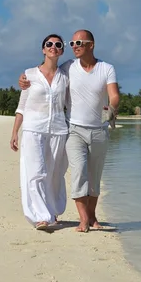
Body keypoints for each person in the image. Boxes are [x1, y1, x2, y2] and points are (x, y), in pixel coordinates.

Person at [18, 29, 120, 232]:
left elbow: (114, 95)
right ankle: (81, 219)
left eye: (78, 43)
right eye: (72, 44)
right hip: (72, 129)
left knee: (92, 176)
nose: (75, 47)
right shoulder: (66, 67)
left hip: (93, 130)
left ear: (91, 45)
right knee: (77, 173)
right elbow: (36, 83)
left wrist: (112, 109)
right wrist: (23, 81)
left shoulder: (104, 68)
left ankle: (91, 217)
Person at [10, 34, 70, 231]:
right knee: (36, 172)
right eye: (49, 44)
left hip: (59, 130)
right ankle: (39, 217)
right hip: (33, 129)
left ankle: (52, 212)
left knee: (54, 174)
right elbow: (22, 106)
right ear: (43, 49)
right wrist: (14, 132)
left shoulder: (66, 75)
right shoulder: (29, 75)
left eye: (58, 45)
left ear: (61, 50)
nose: (53, 47)